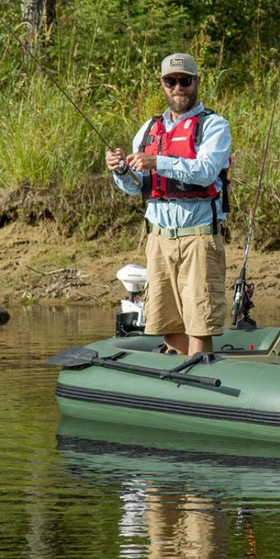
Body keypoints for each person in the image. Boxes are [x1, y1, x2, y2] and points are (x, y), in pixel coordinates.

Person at [106, 53, 231, 357]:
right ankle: (177, 381)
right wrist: (121, 170)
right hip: (158, 239)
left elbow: (204, 172)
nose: (178, 88)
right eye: (171, 81)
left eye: (184, 81)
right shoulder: (149, 129)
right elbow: (136, 187)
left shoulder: (214, 126)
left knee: (200, 321)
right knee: (167, 320)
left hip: (199, 239)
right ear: (162, 84)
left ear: (196, 82)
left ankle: (200, 382)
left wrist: (157, 161)